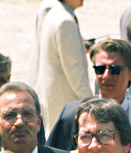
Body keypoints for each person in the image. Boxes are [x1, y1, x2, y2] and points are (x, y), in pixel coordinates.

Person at [30, 0, 93, 128]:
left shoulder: (54, 13)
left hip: (53, 97)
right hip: (65, 100)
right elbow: (74, 70)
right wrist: (91, 100)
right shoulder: (65, 21)